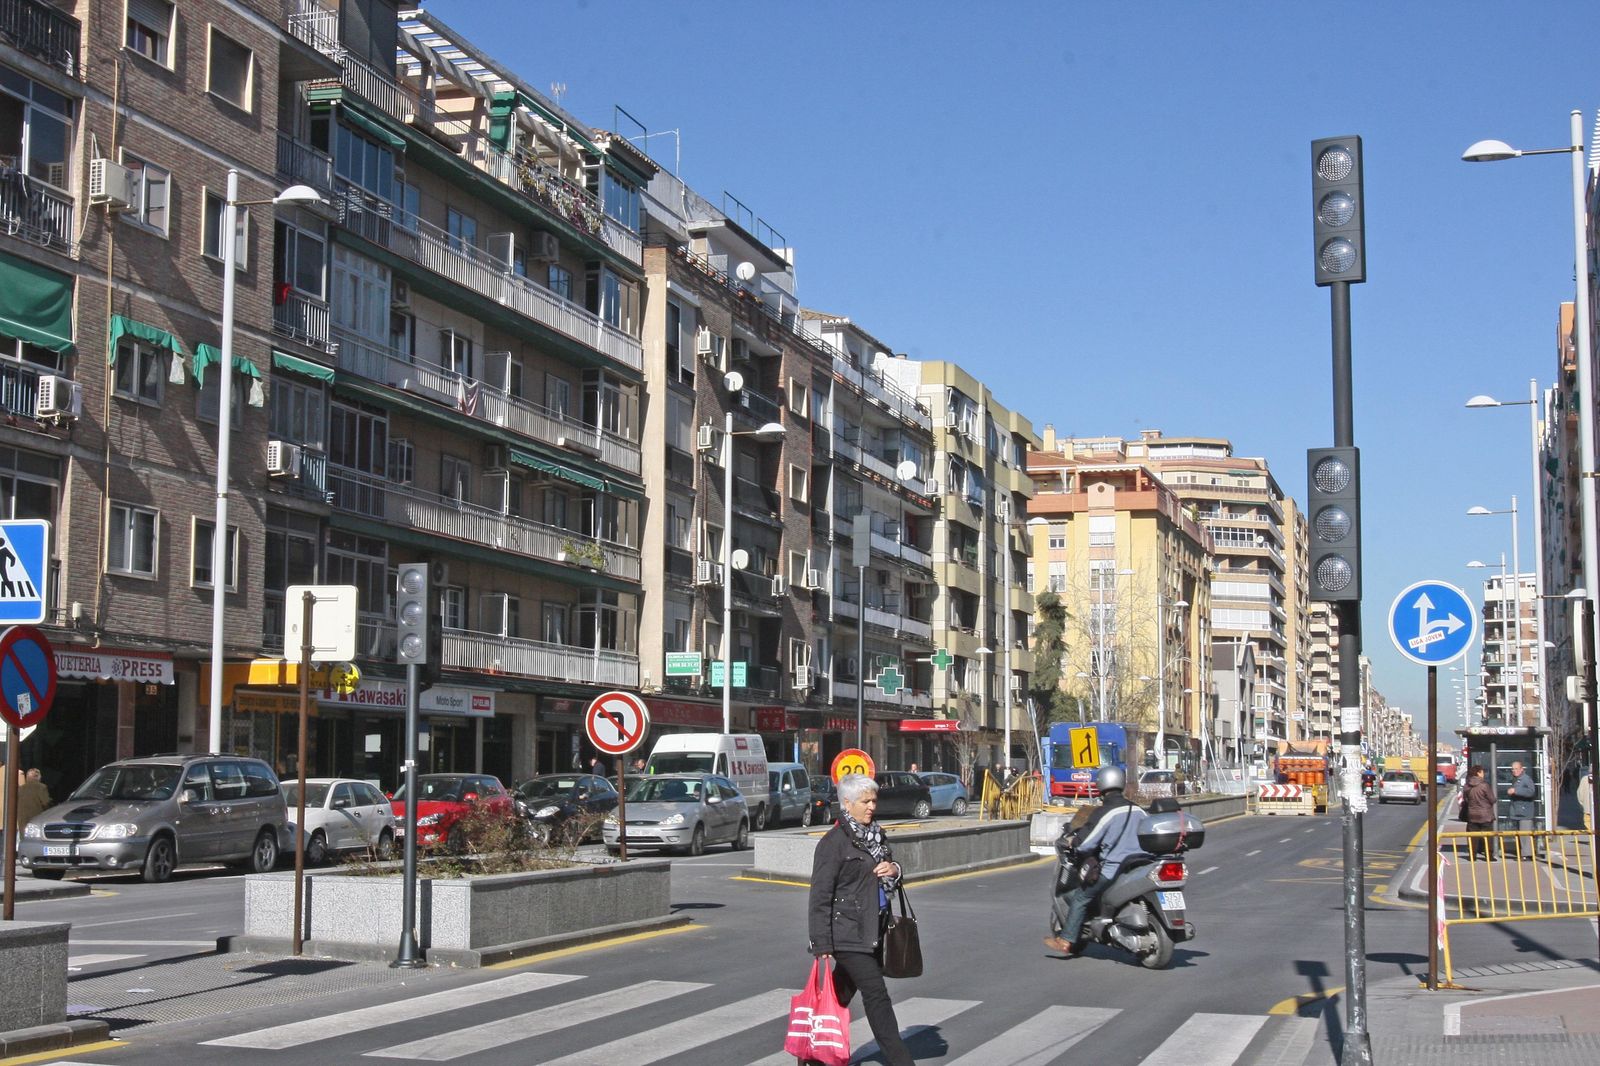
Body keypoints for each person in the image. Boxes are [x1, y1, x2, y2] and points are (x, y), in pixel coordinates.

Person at [807, 773, 914, 1066]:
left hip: (874, 929)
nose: (871, 806)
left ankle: (812, 1053)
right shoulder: (833, 843)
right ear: (846, 803)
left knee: (839, 994)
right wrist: (821, 943)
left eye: (873, 800)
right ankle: (901, 1061)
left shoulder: (876, 836)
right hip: (847, 932)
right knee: (876, 994)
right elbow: (820, 895)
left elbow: (891, 865)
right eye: (865, 801)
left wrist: (894, 869)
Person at [1045, 765, 1145, 956]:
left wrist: (1074, 841)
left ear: (1101, 785)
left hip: (1114, 869)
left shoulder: (1105, 812)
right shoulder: (1138, 810)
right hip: (1139, 865)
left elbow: (1086, 844)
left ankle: (1066, 941)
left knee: (1081, 897)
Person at [1460, 765, 1497, 860]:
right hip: (1486, 815)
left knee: (1473, 836)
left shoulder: (1467, 786)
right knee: (1488, 836)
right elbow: (1492, 799)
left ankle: (1472, 855)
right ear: (1478, 773)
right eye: (1482, 772)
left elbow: (1466, 800)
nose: (1483, 774)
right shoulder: (1484, 785)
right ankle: (1489, 855)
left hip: (1472, 815)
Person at [1506, 760, 1541, 860]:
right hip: (1517, 811)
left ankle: (1527, 855)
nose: (1514, 771)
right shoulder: (1515, 779)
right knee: (1520, 834)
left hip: (1525, 811)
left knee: (1525, 834)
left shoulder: (1526, 779)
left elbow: (1531, 792)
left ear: (1522, 769)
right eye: (1513, 769)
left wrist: (1516, 791)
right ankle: (1523, 853)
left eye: (1516, 769)